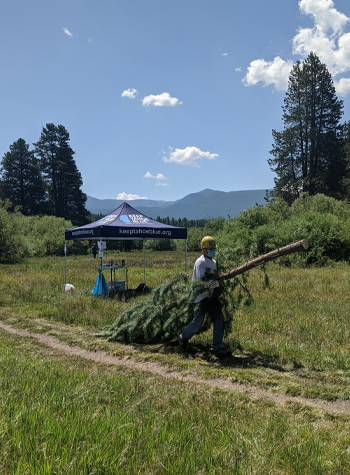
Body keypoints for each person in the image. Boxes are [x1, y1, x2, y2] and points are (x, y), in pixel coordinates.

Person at [178, 236, 231, 357]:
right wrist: (219, 283)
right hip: (200, 297)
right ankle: (182, 338)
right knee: (197, 322)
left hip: (211, 297)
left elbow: (214, 278)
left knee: (219, 318)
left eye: (213, 248)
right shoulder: (200, 263)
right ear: (203, 249)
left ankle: (217, 346)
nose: (212, 251)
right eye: (209, 249)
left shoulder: (214, 262)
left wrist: (217, 289)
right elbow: (203, 284)